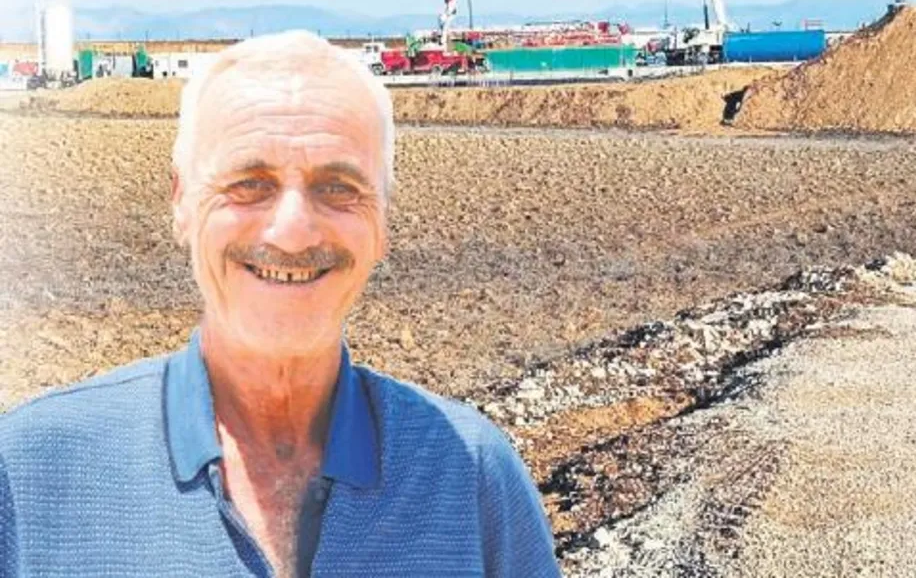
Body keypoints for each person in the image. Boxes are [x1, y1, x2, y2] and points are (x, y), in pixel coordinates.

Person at [0, 30, 560, 578]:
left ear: (383, 221)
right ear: (182, 204)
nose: (292, 232)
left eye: (338, 187)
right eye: (249, 183)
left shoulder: (471, 474)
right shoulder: (28, 474)